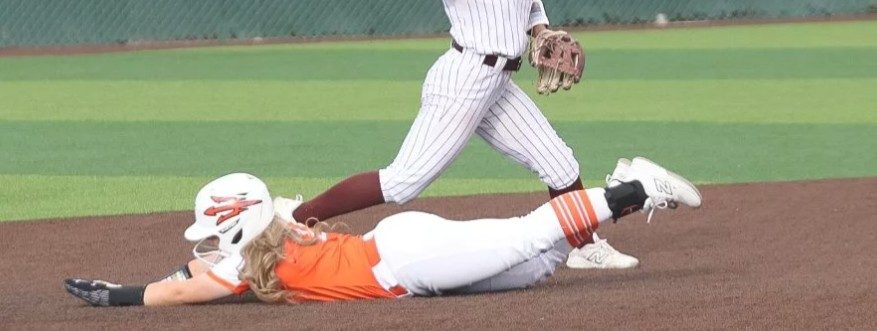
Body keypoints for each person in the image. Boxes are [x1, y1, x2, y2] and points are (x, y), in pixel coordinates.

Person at [284, 0, 637, 270]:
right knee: (404, 181)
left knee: (560, 163)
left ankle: (584, 244)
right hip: (464, 81)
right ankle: (293, 218)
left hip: (500, 83)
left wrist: (541, 30)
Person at [64, 157, 702, 306]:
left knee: (522, 237)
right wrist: (134, 287)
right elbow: (192, 276)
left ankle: (634, 186)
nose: (208, 236)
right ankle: (617, 195)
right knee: (535, 265)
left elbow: (184, 287)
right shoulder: (266, 237)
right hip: (402, 253)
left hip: (404, 259)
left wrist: (118, 297)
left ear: (235, 218)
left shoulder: (248, 260)